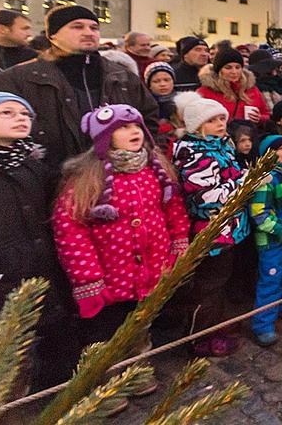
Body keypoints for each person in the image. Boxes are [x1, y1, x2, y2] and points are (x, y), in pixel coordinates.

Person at [53, 104, 190, 406]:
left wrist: (179, 241)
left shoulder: (156, 168)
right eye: (123, 128)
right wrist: (89, 279)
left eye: (136, 126)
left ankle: (138, 370)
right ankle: (107, 386)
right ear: (104, 137)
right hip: (110, 275)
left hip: (152, 269)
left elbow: (173, 208)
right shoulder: (86, 179)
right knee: (105, 336)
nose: (133, 133)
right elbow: (71, 231)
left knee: (141, 324)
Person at [0, 5, 158, 169]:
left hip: (117, 179)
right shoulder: (16, 78)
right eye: (77, 27)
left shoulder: (122, 76)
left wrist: (142, 160)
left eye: (94, 27)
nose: (89, 32)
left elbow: (150, 120)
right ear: (53, 35)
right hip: (50, 182)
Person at [0, 92, 78, 391]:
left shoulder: (33, 164)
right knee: (10, 357)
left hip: (44, 269)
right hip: (3, 278)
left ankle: (61, 397)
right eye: (7, 112)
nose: (20, 118)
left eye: (25, 114)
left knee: (58, 341)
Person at [172, 92, 247, 357]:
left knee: (220, 281)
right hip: (210, 229)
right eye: (213, 120)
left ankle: (216, 324)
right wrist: (244, 184)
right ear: (197, 126)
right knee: (208, 285)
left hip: (228, 227)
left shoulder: (221, 146)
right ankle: (200, 337)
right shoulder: (196, 154)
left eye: (221, 118)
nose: (220, 123)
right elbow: (204, 197)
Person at [248, 135, 282, 347]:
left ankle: (278, 305)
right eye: (279, 149)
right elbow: (258, 211)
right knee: (270, 279)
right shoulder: (266, 179)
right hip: (272, 240)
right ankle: (263, 324)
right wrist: (276, 228)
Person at [197, 47, 269, 125]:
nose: (234, 72)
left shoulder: (252, 89)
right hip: (218, 135)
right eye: (228, 68)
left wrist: (259, 118)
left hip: (251, 134)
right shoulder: (205, 92)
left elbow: (266, 114)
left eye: (238, 67)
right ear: (219, 70)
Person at [144, 61, 181, 157]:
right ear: (149, 85)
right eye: (156, 81)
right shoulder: (145, 106)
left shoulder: (183, 103)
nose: (162, 84)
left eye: (167, 80)